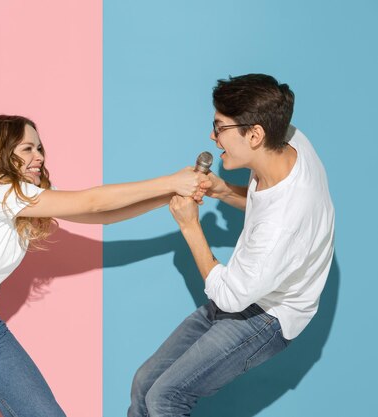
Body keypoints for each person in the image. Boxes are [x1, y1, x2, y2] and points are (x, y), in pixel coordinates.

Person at [0, 114, 209, 417]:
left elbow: (100, 215)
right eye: (27, 148)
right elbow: (91, 202)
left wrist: (171, 194)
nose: (39, 157)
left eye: (40, 148)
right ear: (0, 153)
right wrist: (171, 181)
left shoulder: (21, 198)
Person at [128, 74, 335, 417]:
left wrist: (190, 225)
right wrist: (224, 191)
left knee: (165, 397)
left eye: (219, 127)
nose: (212, 136)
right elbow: (262, 203)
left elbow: (230, 296)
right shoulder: (289, 141)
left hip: (269, 315)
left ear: (254, 135)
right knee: (144, 382)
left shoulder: (283, 222)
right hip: (248, 286)